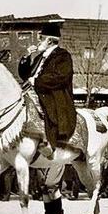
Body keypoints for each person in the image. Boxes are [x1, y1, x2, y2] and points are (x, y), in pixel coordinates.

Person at [18, 22, 77, 158]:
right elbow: (24, 74)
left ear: (49, 40)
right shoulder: (39, 57)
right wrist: (26, 56)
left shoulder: (63, 56)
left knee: (47, 108)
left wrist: (37, 81)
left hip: (53, 95)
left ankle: (49, 143)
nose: (38, 41)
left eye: (41, 38)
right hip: (34, 91)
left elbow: (60, 77)